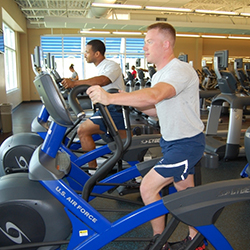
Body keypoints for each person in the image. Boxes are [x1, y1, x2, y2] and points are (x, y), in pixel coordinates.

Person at [86, 23, 205, 250]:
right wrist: (128, 100)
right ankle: (197, 240)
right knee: (186, 194)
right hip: (172, 142)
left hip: (186, 144)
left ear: (166, 44)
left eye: (149, 41)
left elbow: (156, 94)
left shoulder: (178, 70)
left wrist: (111, 99)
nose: (144, 47)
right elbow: (156, 109)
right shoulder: (161, 73)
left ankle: (159, 242)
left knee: (148, 188)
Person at [62, 40, 126, 174]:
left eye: (87, 52)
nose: (85, 54)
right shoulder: (100, 67)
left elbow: (103, 80)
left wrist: (75, 83)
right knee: (124, 141)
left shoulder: (111, 66)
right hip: (106, 108)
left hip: (115, 108)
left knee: (83, 131)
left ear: (97, 53)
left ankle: (91, 172)